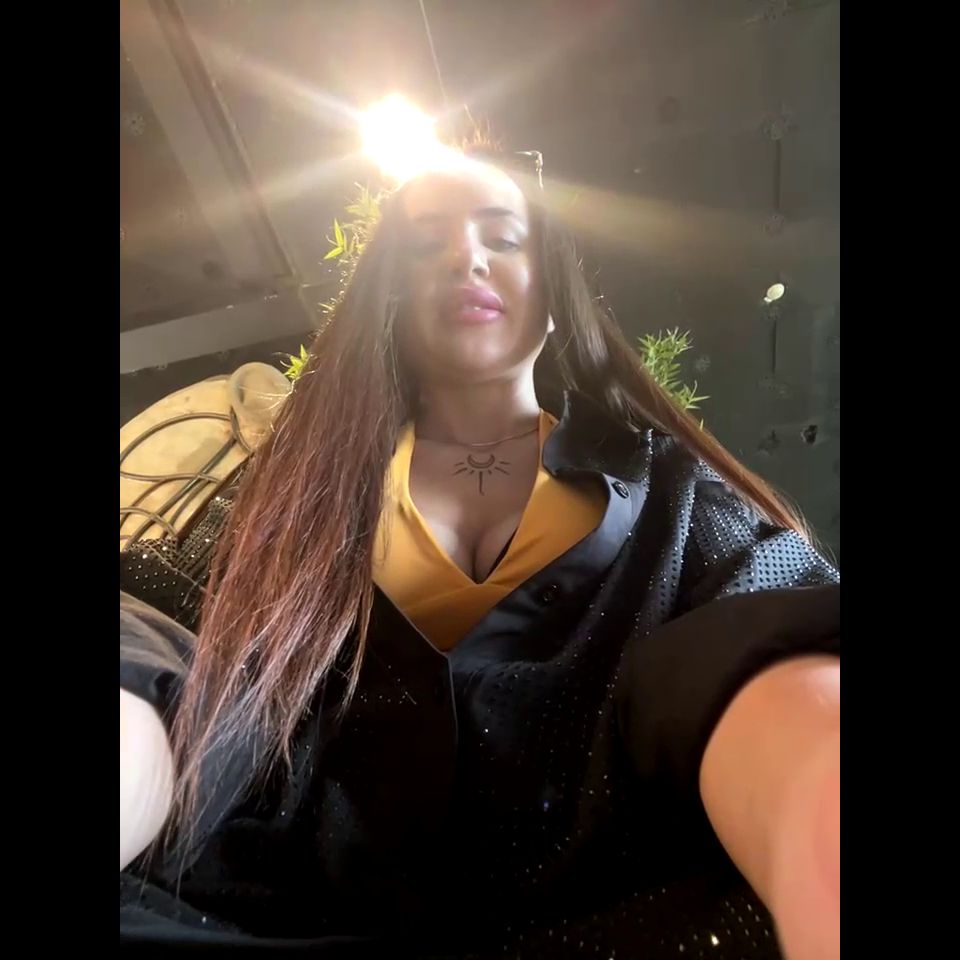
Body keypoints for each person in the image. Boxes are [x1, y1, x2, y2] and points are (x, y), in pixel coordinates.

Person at [120, 148, 840, 960]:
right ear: (389, 300)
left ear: (555, 296)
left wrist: (814, 787)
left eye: (504, 238)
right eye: (426, 244)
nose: (466, 257)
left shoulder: (676, 499)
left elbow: (758, 640)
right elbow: (176, 657)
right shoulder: (289, 511)